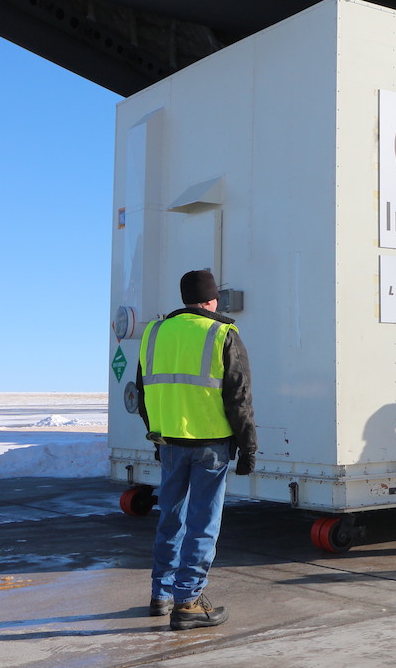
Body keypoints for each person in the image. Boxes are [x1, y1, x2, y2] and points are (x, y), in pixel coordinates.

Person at [137, 270, 257, 630]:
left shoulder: (154, 332)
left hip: (169, 441)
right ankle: (187, 601)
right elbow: (239, 399)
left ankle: (162, 594)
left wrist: (157, 431)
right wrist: (248, 447)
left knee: (170, 518)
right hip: (210, 445)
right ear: (212, 299)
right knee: (203, 522)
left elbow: (144, 392)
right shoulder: (222, 333)